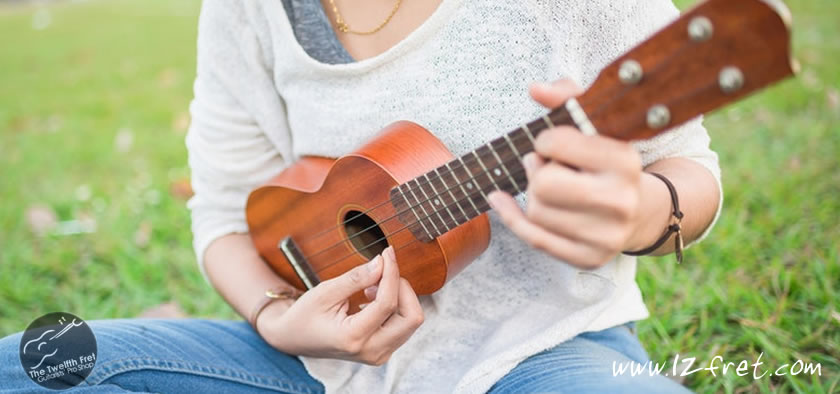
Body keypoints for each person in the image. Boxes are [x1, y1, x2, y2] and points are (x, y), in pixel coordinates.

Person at [0, 0, 722, 392]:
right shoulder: (248, 10)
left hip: (537, 358)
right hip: (307, 368)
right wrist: (277, 318)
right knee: (30, 365)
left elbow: (689, 170)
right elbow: (222, 210)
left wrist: (640, 212)